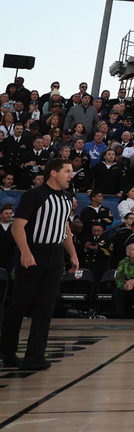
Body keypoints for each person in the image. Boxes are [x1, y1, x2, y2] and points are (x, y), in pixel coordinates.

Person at [2, 158, 79, 370]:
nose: (71, 175)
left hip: (55, 256)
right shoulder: (34, 195)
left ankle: (35, 356)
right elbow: (18, 226)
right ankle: (7, 352)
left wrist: (72, 254)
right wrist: (25, 252)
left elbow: (64, 228)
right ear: (53, 173)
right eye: (67, 171)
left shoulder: (66, 197)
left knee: (45, 307)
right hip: (33, 252)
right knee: (20, 305)